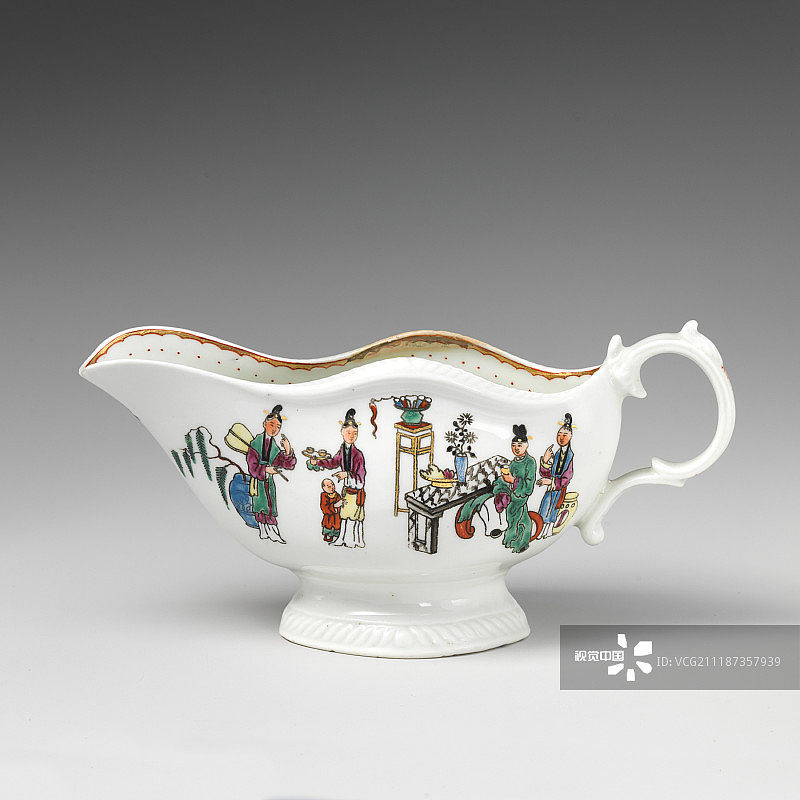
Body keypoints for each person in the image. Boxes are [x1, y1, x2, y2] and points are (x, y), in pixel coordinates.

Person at [309, 408, 367, 548]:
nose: (351, 436)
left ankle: (352, 540)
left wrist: (347, 474)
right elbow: (333, 462)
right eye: (348, 433)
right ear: (342, 432)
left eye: (355, 433)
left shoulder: (358, 454)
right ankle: (342, 538)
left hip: (355, 492)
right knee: (344, 515)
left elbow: (361, 478)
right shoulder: (343, 451)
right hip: (347, 490)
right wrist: (318, 463)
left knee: (353, 517)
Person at [246, 404, 296, 543]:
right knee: (260, 506)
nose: (274, 429)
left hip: (268, 482)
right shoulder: (256, 443)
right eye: (272, 424)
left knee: (270, 507)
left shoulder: (273, 445)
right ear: (264, 424)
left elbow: (284, 463)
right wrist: (265, 470)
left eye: (278, 427)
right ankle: (264, 532)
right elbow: (252, 466)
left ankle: (273, 533)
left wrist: (287, 450)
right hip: (258, 481)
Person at [490, 424, 537, 553]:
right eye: (514, 445)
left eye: (519, 446)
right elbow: (507, 479)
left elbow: (529, 485)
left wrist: (513, 481)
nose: (516, 448)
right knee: (522, 519)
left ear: (526, 446)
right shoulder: (514, 462)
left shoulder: (530, 462)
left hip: (520, 496)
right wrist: (501, 483)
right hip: (513, 495)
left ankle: (514, 541)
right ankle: (519, 542)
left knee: (514, 518)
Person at [537, 413, 575, 539]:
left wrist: (551, 482)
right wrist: (546, 461)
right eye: (559, 435)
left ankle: (547, 530)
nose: (561, 438)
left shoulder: (569, 455)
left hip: (559, 489)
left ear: (570, 436)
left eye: (564, 435)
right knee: (545, 507)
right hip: (552, 488)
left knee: (553, 509)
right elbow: (546, 473)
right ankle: (542, 530)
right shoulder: (558, 453)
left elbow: (567, 477)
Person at [320, 478, 343, 543]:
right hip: (328, 519)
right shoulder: (324, 495)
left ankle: (335, 536)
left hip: (336, 519)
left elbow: (340, 506)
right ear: (324, 488)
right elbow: (324, 508)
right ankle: (327, 536)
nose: (332, 487)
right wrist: (334, 506)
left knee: (336, 530)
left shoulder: (337, 495)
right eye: (329, 486)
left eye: (332, 485)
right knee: (328, 528)